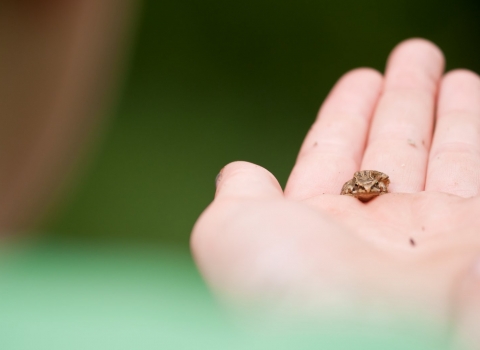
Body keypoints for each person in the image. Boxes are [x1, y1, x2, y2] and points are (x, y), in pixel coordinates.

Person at [191, 38, 480, 348]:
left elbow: (381, 182)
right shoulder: (351, 189)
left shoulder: (379, 185)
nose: (367, 190)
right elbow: (354, 187)